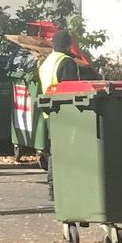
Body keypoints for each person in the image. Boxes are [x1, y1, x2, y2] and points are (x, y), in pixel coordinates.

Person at [39, 29, 84, 201]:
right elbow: (72, 90)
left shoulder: (47, 62)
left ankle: (53, 188)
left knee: (55, 151)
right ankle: (66, 187)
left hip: (50, 113)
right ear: (68, 44)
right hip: (66, 113)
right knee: (68, 152)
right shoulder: (67, 62)